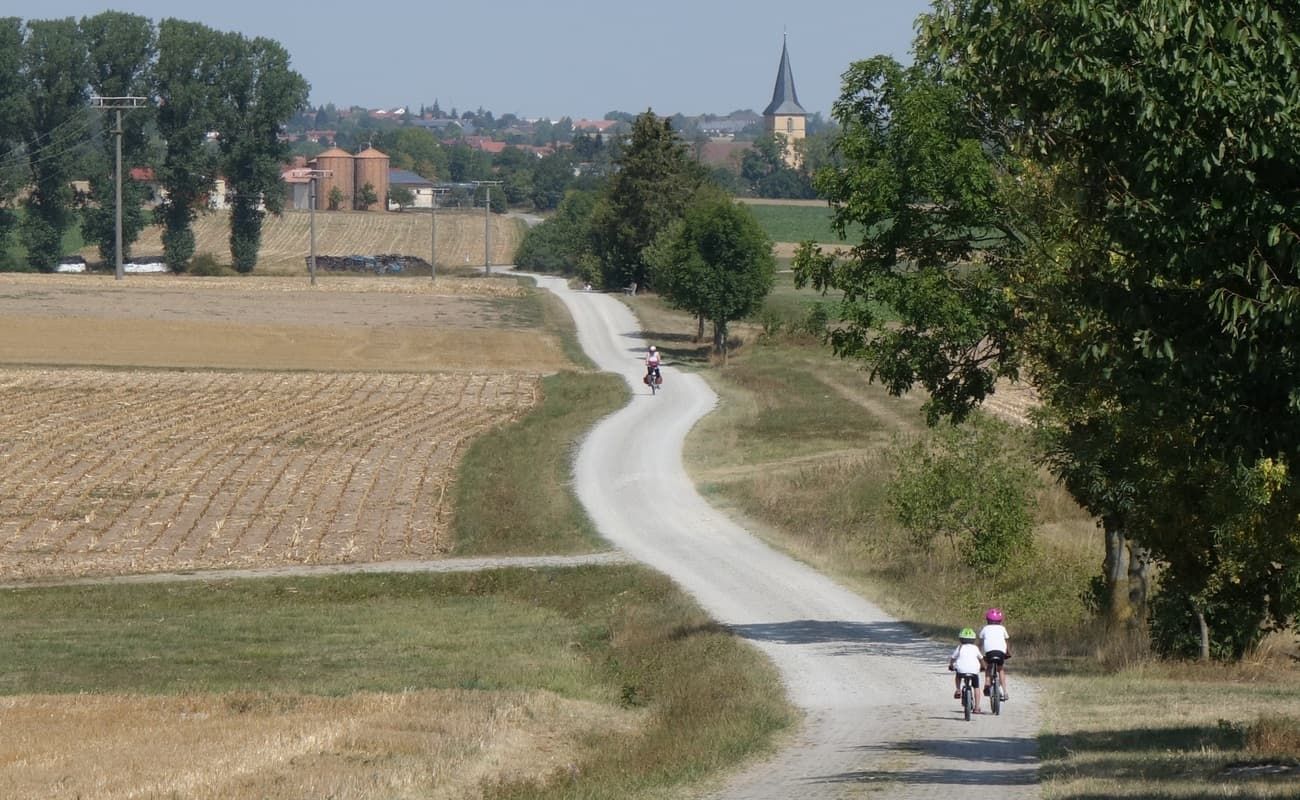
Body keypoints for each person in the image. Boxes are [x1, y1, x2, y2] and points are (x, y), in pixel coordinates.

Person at [948, 627, 986, 713]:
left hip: (961, 670)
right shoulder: (975, 648)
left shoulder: (960, 647)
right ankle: (977, 707)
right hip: (974, 671)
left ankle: (958, 689)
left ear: (961, 639)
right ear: (973, 639)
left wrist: (950, 665)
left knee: (958, 675)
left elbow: (953, 658)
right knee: (976, 687)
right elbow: (981, 658)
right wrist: (984, 667)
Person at [979, 608, 1011, 701]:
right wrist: (1008, 652)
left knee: (988, 666)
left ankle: (987, 684)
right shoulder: (1002, 628)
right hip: (1001, 652)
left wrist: (979, 653)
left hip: (989, 652)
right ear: (1000, 620)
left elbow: (981, 643)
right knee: (1000, 669)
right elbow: (1006, 641)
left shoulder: (985, 628)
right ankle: (1005, 692)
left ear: (987, 620)